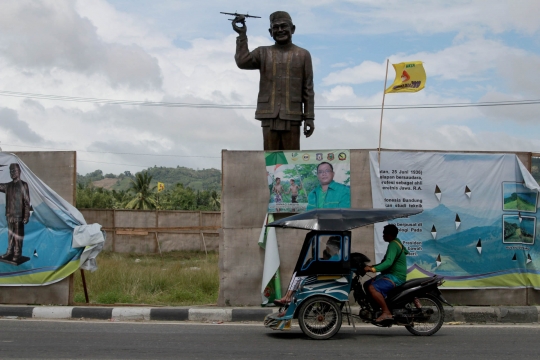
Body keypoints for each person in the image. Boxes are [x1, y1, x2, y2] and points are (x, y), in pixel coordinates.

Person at [233, 11, 315, 150]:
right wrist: (242, 35)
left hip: (293, 115)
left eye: (284, 26)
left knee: (291, 160)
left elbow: (308, 88)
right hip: (268, 114)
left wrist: (309, 117)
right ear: (270, 32)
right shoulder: (262, 52)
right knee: (271, 160)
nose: (280, 30)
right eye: (275, 27)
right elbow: (242, 61)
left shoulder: (303, 54)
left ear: (292, 29)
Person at [275, 236, 341, 307]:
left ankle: (288, 297)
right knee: (298, 276)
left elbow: (327, 269)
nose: (327, 247)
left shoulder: (335, 258)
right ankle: (288, 298)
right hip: (324, 277)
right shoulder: (333, 257)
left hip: (324, 279)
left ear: (334, 248)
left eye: (328, 246)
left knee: (298, 276)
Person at [363, 224, 408, 322]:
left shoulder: (393, 244)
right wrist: (372, 267)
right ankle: (375, 309)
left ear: (389, 235)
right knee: (367, 284)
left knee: (372, 287)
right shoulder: (396, 243)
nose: (383, 236)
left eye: (384, 234)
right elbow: (384, 262)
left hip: (396, 277)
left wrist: (373, 270)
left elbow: (388, 263)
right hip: (389, 274)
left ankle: (386, 312)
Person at [0, 163, 31, 263]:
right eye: (11, 171)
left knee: (18, 236)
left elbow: (27, 203)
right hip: (9, 215)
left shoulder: (23, 185)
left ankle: (17, 253)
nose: (12, 173)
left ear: (19, 171)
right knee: (10, 235)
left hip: (19, 216)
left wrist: (26, 216)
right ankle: (9, 252)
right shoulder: (7, 186)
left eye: (14, 171)